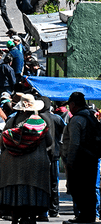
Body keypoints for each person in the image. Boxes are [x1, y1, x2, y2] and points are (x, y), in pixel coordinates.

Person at [0, 95, 52, 224]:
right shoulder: (41, 122)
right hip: (35, 164)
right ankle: (31, 218)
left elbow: (2, 143)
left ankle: (16, 218)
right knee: (32, 190)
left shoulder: (12, 121)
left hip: (13, 164)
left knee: (17, 191)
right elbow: (49, 142)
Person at [63, 92, 98, 223]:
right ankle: (89, 215)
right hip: (92, 158)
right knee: (89, 189)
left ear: (73, 104)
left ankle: (84, 215)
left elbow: (74, 143)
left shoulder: (77, 119)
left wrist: (70, 162)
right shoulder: (91, 116)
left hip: (80, 160)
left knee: (78, 189)